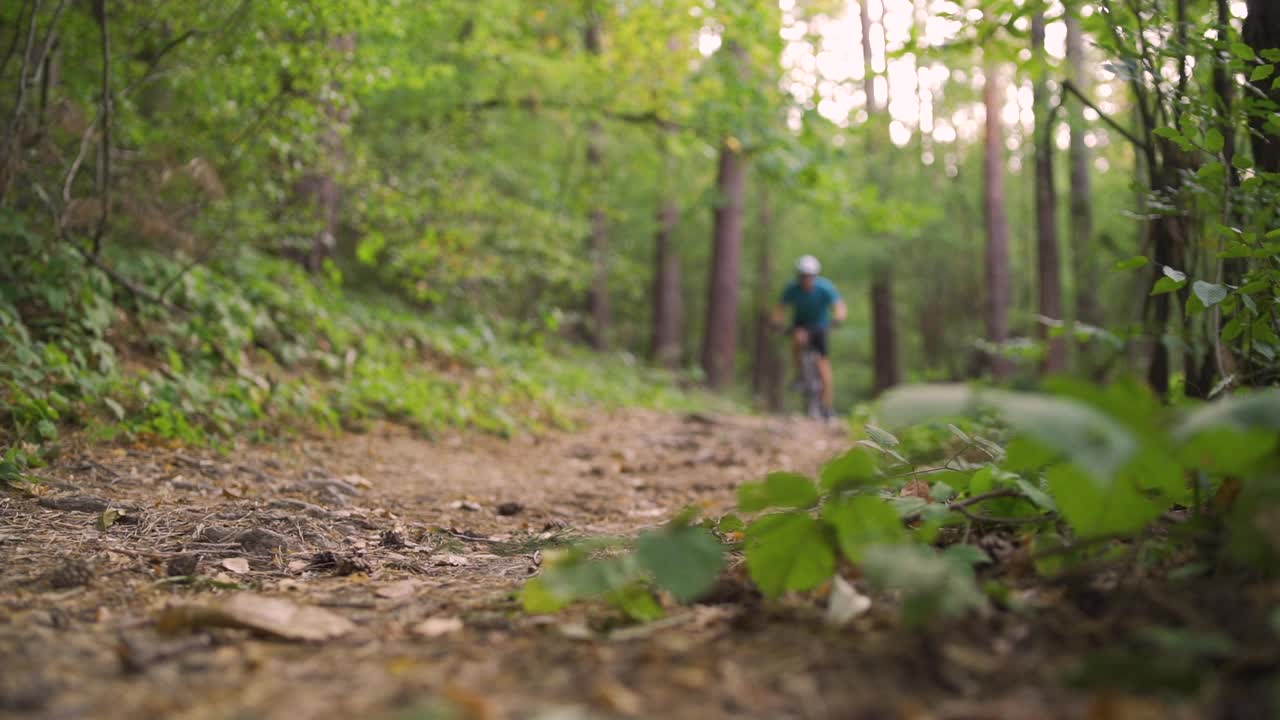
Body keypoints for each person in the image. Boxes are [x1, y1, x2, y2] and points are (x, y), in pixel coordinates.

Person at [773, 255, 847, 419]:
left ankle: (827, 406)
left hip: (820, 326)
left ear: (815, 276)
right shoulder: (792, 288)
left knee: (823, 366)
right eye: (803, 276)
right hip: (800, 324)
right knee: (797, 338)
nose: (806, 279)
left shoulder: (825, 288)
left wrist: (838, 318)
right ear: (798, 276)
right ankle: (799, 374)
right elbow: (780, 307)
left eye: (809, 276)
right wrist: (777, 322)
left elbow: (839, 305)